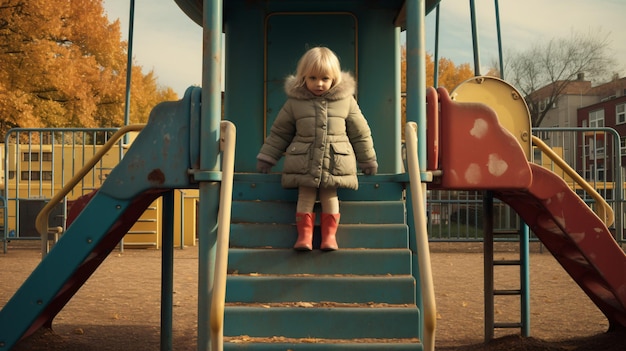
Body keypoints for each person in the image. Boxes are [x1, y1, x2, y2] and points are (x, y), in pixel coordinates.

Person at [256, 46, 378, 251]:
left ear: (334, 78)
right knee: (305, 196)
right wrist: (267, 157)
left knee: (330, 195)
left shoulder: (346, 100)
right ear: (303, 77)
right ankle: (304, 236)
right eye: (312, 78)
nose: (319, 83)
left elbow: (360, 132)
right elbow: (280, 132)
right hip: (305, 160)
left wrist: (367, 159)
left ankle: (329, 237)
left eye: (325, 78)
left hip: (334, 160)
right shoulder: (295, 102)